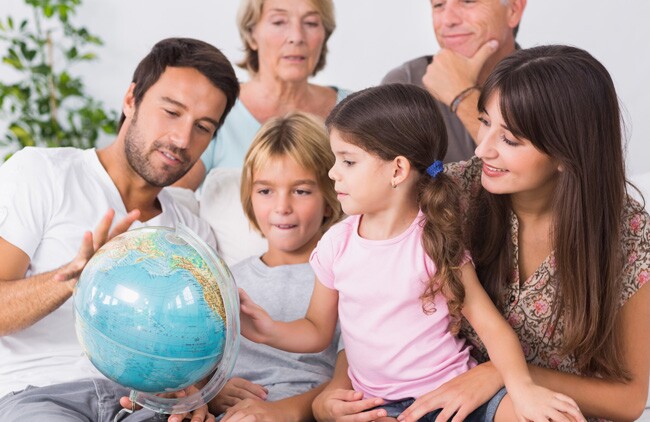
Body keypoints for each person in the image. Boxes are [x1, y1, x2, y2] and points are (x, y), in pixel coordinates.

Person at [314, 46, 650, 422]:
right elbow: (370, 309)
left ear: (564, 154)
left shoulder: (627, 233)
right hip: (434, 399)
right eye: (484, 122)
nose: (481, 149)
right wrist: (328, 394)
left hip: (526, 406)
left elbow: (628, 400)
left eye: (509, 139)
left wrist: (496, 374)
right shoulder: (449, 193)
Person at [238, 84, 584, 421]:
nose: (332, 173)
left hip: (453, 395)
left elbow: (492, 329)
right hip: (378, 406)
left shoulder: (432, 240)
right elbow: (317, 330)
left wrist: (523, 389)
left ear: (398, 170)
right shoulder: (335, 245)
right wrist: (268, 330)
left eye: (348, 161)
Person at [0, 37, 240, 422]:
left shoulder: (193, 236)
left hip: (145, 404)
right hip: (39, 395)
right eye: (172, 112)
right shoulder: (41, 174)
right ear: (131, 99)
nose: (182, 139)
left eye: (203, 127)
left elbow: (199, 353)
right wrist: (72, 278)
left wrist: (192, 394)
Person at [203, 111, 344, 420]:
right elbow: (199, 370)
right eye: (266, 191)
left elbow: (351, 379)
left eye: (301, 191)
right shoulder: (226, 282)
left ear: (329, 198)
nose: (282, 207)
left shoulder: (344, 275)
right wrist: (212, 393)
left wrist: (282, 412)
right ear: (250, 197)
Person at [174, 0, 349, 190]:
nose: (296, 37)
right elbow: (172, 201)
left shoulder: (355, 109)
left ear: (325, 35)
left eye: (311, 23)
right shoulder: (218, 107)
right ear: (251, 35)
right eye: (279, 22)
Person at [382, 0, 526, 163]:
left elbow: (526, 171)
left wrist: (462, 94)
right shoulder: (405, 84)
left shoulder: (551, 85)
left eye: (468, 2)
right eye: (438, 5)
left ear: (513, 10)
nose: (448, 20)